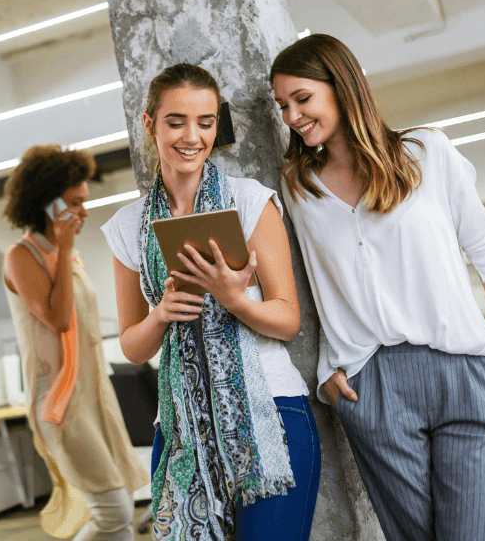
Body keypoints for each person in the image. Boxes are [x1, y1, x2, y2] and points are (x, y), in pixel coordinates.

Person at [270, 34, 485, 541]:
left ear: (343, 87)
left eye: (303, 99)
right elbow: (317, 287)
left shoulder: (426, 152)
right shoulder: (298, 186)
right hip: (374, 383)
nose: (292, 117)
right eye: (283, 106)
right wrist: (329, 370)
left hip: (466, 370)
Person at [100, 64, 320, 541]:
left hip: (271, 415)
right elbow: (133, 348)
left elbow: (287, 320)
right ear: (149, 124)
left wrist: (233, 299)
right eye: (176, 121)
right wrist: (160, 315)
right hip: (180, 430)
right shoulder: (126, 226)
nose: (192, 137)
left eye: (205, 122)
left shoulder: (248, 201)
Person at [2, 145, 148, 540]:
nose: (83, 211)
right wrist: (64, 247)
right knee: (114, 512)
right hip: (61, 400)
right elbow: (55, 317)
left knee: (120, 513)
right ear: (47, 205)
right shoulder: (22, 256)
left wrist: (66, 251)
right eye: (74, 203)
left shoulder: (69, 258)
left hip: (94, 395)